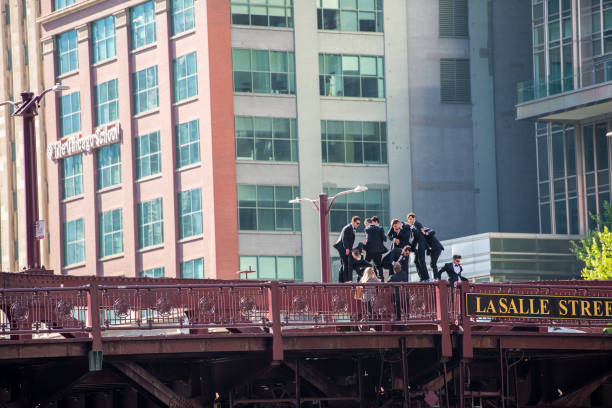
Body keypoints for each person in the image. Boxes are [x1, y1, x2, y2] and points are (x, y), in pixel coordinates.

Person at [333, 216, 360, 282]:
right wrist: (347, 248)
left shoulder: (352, 228)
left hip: (345, 248)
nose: (358, 225)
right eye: (357, 223)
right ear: (353, 222)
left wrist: (350, 248)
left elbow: (349, 240)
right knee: (345, 263)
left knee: (344, 264)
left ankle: (342, 280)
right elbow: (344, 238)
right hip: (342, 248)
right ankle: (345, 281)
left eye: (359, 223)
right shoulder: (347, 228)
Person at [407, 213, 429, 282]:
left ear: (414, 218)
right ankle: (422, 277)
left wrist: (411, 227)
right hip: (417, 247)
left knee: (422, 261)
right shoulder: (414, 225)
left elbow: (416, 234)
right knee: (416, 261)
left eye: (411, 219)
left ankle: (426, 278)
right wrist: (413, 248)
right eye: (409, 219)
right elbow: (414, 238)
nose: (409, 220)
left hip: (421, 246)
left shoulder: (417, 224)